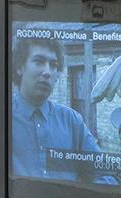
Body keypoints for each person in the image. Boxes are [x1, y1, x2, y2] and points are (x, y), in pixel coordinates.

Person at [8, 36, 98, 180]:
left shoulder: (72, 121)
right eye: (39, 62)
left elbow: (102, 173)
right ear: (20, 67)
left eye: (54, 65)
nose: (47, 72)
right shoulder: (2, 118)